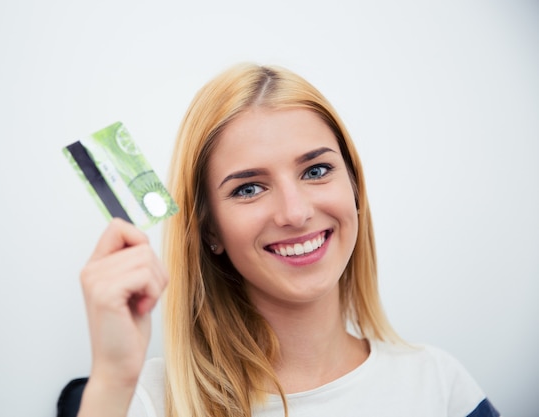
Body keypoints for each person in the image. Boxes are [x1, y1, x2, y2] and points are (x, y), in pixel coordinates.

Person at [76, 63, 500, 417]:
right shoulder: (144, 401)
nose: (295, 213)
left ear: (354, 188)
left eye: (316, 171)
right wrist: (113, 376)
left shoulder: (439, 386)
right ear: (210, 230)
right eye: (248, 188)